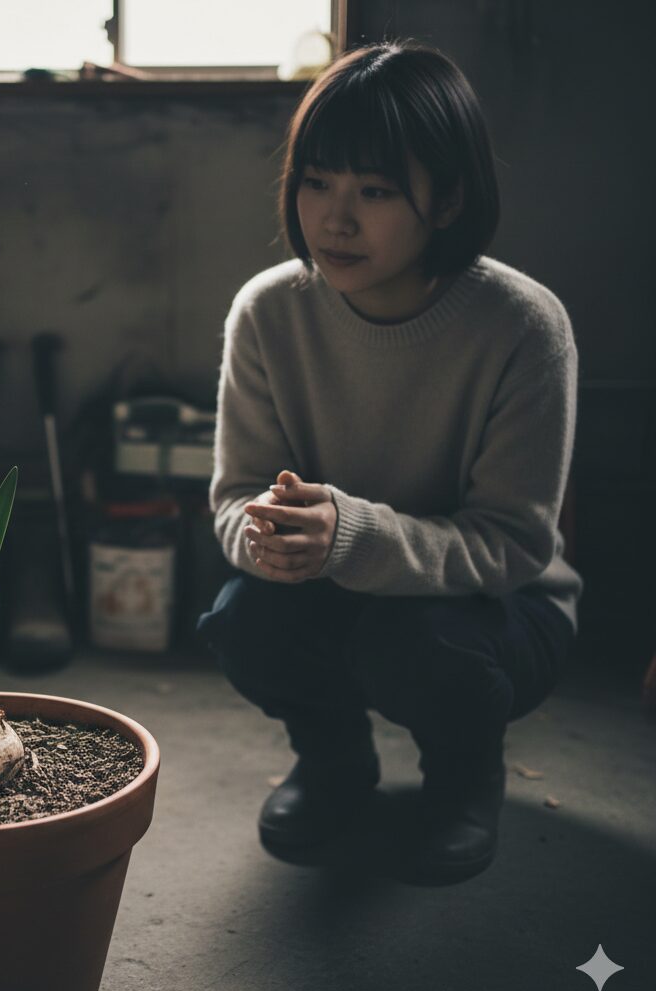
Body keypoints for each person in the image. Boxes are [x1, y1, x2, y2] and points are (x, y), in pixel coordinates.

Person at [197, 39, 581, 884]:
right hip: (338, 592)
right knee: (243, 617)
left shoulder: (521, 326)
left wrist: (351, 536)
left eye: (374, 191)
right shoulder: (269, 313)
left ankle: (463, 777)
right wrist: (268, 533)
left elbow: (515, 545)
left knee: (415, 642)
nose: (335, 219)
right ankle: (334, 760)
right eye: (317, 183)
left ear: (446, 201)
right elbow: (232, 494)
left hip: (495, 614)